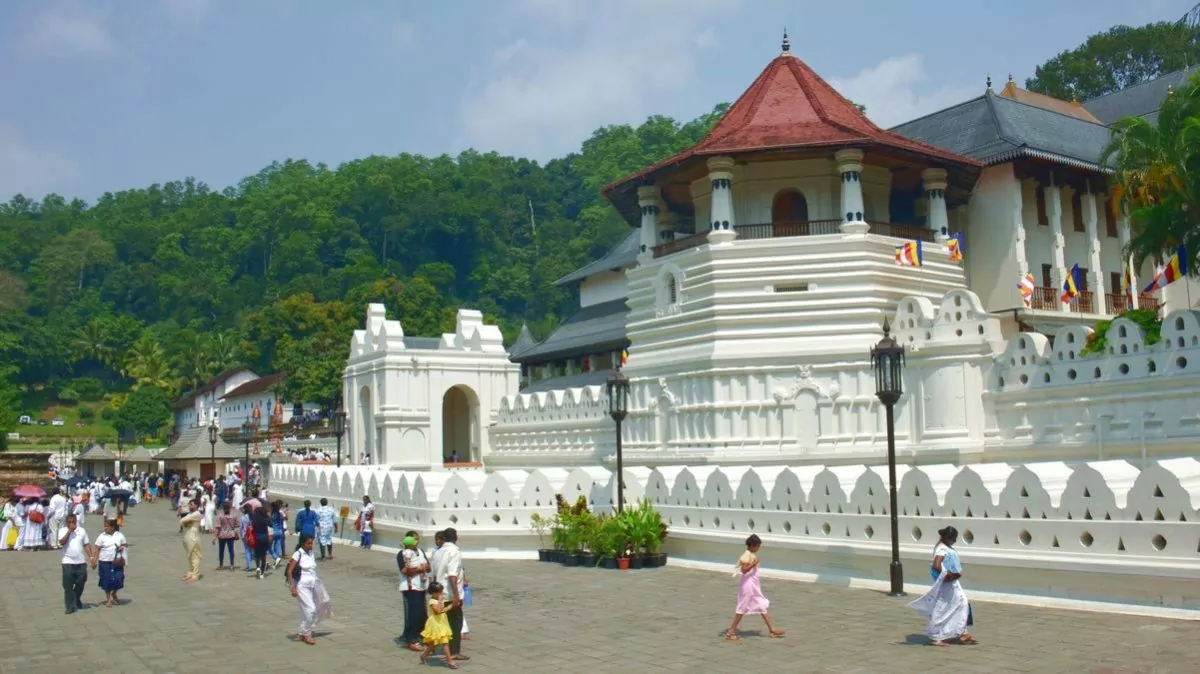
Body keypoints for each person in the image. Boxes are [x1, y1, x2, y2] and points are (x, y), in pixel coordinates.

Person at [909, 526, 977, 646]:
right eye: (953, 539)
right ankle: (936, 636)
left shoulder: (945, 547)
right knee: (943, 607)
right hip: (947, 583)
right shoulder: (941, 549)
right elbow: (936, 565)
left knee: (962, 604)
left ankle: (962, 632)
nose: (955, 541)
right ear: (947, 538)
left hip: (953, 582)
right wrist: (947, 575)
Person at [725, 534, 784, 640]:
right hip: (748, 585)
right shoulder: (746, 555)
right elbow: (743, 570)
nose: (758, 549)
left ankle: (772, 629)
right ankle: (731, 631)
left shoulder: (750, 554)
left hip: (753, 585)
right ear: (753, 546)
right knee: (742, 606)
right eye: (757, 546)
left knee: (761, 605)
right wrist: (754, 563)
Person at [430, 528, 468, 661]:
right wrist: (457, 596)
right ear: (455, 537)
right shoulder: (454, 551)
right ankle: (454, 651)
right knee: (456, 623)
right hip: (450, 594)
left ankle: (434, 647)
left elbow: (433, 575)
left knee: (441, 622)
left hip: (440, 593)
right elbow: (453, 576)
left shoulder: (438, 552)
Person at [286, 535, 332, 645]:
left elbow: (312, 570)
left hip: (313, 582)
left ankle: (303, 632)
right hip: (301, 585)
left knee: (322, 602)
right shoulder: (298, 553)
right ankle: (307, 634)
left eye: (312, 543)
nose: (310, 546)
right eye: (308, 543)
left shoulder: (311, 553)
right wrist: (292, 587)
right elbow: (290, 571)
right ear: (302, 544)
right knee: (310, 609)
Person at [399, 532, 430, 651]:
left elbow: (428, 566)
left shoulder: (420, 551)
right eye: (414, 539)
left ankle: (421, 636)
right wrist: (419, 569)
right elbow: (404, 570)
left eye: (418, 539)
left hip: (422, 586)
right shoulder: (403, 553)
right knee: (414, 614)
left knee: (422, 613)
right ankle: (411, 639)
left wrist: (425, 568)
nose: (417, 541)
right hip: (410, 587)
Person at [59, 513, 92, 614]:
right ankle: (69, 606)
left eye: (73, 522)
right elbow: (61, 542)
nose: (72, 524)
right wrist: (69, 531)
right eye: (69, 522)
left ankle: (76, 598)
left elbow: (86, 544)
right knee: (68, 585)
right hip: (67, 561)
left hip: (80, 561)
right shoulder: (63, 530)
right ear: (66, 522)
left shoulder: (81, 531)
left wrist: (91, 557)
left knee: (81, 581)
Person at [418, 582, 457, 669]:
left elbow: (443, 610)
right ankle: (450, 662)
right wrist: (440, 600)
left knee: (434, 644)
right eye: (439, 592)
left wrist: (453, 605)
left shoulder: (440, 599)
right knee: (445, 642)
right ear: (433, 593)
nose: (441, 594)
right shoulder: (432, 601)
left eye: (441, 592)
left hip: (442, 622)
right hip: (435, 624)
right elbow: (438, 611)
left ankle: (424, 656)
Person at [91, 518, 127, 607]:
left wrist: (121, 548)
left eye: (107, 526)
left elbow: (125, 545)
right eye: (105, 526)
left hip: (116, 561)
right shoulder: (101, 536)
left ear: (113, 527)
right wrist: (94, 560)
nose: (105, 528)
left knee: (119, 578)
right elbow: (97, 548)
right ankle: (108, 599)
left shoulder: (120, 536)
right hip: (105, 562)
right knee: (107, 581)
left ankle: (114, 593)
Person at [179, 500, 203, 582]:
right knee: (189, 555)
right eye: (189, 504)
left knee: (195, 555)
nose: (190, 506)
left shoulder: (197, 514)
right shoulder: (190, 514)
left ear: (196, 505)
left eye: (191, 504)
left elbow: (183, 520)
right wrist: (186, 521)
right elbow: (182, 521)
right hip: (188, 534)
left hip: (194, 535)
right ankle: (191, 572)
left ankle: (196, 574)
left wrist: (186, 522)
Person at [212, 501, 240, 571]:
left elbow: (217, 528)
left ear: (223, 508)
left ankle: (221, 565)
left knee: (221, 550)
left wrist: (214, 537)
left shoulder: (220, 516)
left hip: (222, 535)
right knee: (231, 550)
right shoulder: (234, 516)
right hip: (231, 534)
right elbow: (237, 525)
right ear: (230, 508)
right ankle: (232, 565)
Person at [251, 500, 272, 578]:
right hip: (265, 537)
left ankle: (258, 567)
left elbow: (253, 528)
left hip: (257, 537)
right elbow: (271, 524)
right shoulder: (265, 519)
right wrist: (268, 516)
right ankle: (262, 573)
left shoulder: (255, 520)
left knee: (257, 555)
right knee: (264, 555)